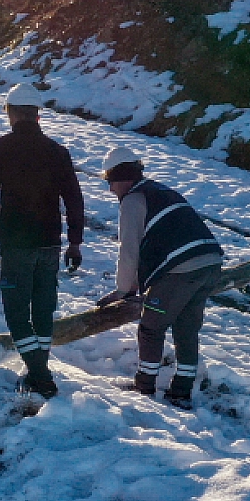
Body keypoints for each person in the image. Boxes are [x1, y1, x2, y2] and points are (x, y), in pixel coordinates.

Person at [0, 84, 84, 398]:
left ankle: (40, 375)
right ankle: (38, 368)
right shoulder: (58, 152)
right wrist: (75, 242)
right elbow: (74, 199)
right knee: (44, 309)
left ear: (12, 112)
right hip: (50, 243)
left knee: (16, 311)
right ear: (37, 114)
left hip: (16, 244)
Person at [96, 147, 225, 409]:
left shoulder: (134, 199)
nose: (110, 190)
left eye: (110, 182)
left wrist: (122, 290)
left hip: (181, 269)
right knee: (187, 328)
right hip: (210, 262)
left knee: (151, 327)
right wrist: (135, 285)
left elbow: (129, 249)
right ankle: (181, 392)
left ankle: (144, 387)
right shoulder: (163, 191)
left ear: (122, 178)